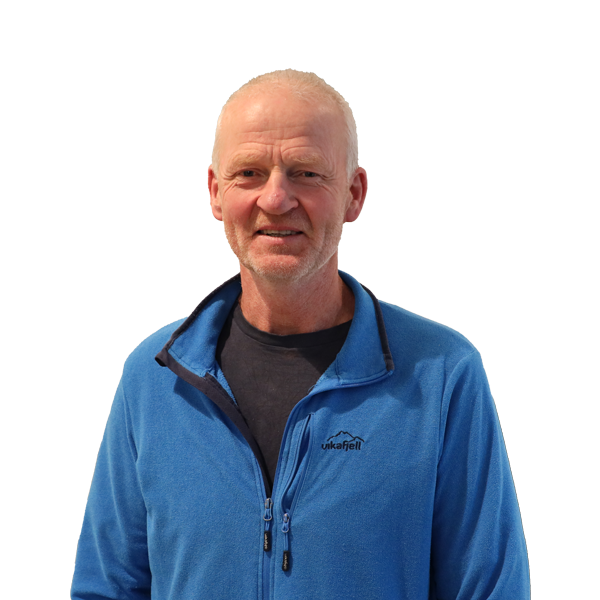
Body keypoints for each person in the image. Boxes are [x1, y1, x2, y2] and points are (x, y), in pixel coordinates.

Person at [71, 70, 530, 599]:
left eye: (307, 172)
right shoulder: (152, 378)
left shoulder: (443, 376)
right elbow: (106, 587)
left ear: (354, 194)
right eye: (248, 172)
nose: (275, 198)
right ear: (217, 193)